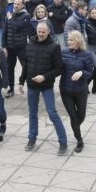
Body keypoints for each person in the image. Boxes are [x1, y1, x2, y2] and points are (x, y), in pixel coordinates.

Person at [25, 21, 67, 153]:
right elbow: (26, 64)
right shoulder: (30, 44)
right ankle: (32, 139)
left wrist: (44, 77)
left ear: (49, 32)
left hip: (46, 85)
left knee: (52, 113)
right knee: (32, 113)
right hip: (31, 85)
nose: (41, 34)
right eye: (39, 31)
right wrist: (21, 81)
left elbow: (60, 68)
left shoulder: (54, 47)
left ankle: (63, 142)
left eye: (43, 32)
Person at [59, 30, 94, 153]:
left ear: (78, 41)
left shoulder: (87, 55)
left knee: (81, 116)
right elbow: (57, 67)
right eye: (68, 40)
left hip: (80, 91)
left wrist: (81, 73)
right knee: (73, 117)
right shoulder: (63, 52)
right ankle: (79, 140)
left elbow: (90, 72)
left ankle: (75, 128)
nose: (69, 42)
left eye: (72, 40)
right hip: (66, 90)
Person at [4, 0, 32, 97]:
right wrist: (4, 46)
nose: (16, 6)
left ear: (22, 5)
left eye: (18, 4)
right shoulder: (10, 15)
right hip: (10, 47)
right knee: (9, 68)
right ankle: (11, 88)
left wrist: (10, 18)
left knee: (27, 67)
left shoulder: (26, 15)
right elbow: (5, 31)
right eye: (15, 4)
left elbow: (17, 27)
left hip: (21, 47)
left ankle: (31, 87)